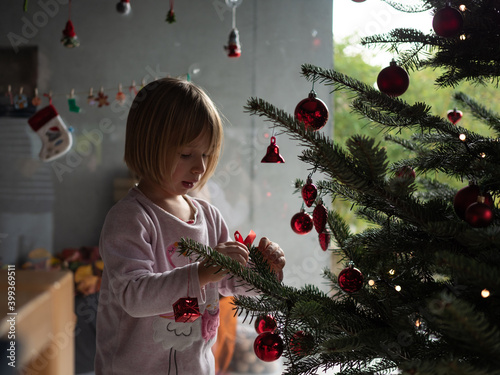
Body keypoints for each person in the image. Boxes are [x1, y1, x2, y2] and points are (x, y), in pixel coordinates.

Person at [95, 77, 286, 375]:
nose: (199, 167)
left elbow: (228, 281)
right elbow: (134, 295)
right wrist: (201, 272)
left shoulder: (208, 216)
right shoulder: (130, 218)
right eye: (186, 154)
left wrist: (264, 272)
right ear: (148, 145)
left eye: (206, 154)